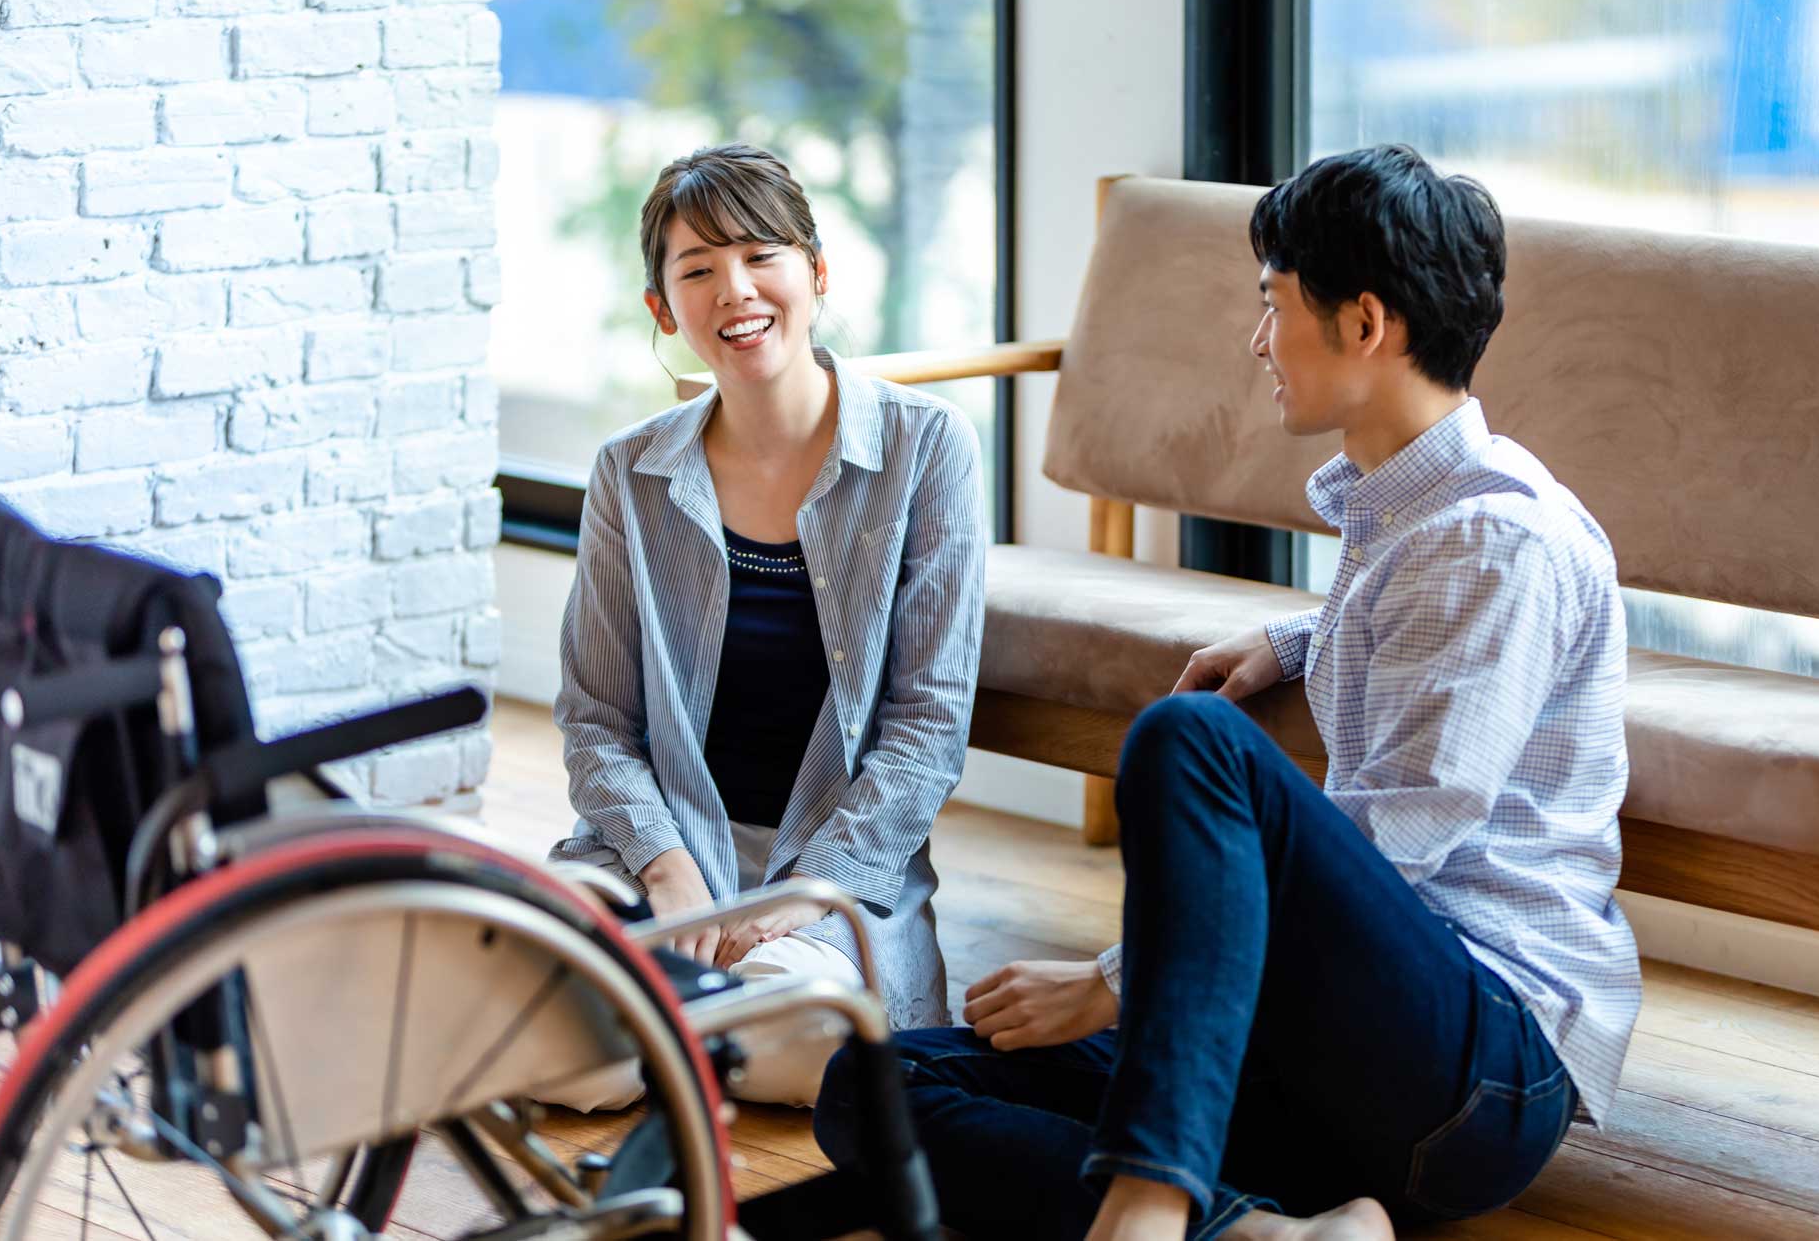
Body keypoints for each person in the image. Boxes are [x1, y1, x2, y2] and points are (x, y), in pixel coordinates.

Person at [814, 144, 1643, 1238]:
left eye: (1273, 306)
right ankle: (1253, 1231)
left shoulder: (1494, 540)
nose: (1259, 341)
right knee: (870, 1089)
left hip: (1475, 1068)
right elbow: (1427, 643)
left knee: (1189, 739)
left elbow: (1398, 829)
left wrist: (1115, 983)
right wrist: (1296, 636)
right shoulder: (1416, 520)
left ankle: (1151, 1209)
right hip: (1328, 1053)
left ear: (1362, 323)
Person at [551, 142, 986, 1108]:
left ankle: (668, 1029)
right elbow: (595, 720)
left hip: (833, 869)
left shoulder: (928, 449)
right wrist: (670, 875)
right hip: (655, 850)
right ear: (665, 309)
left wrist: (799, 895)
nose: (734, 290)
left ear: (817, 274)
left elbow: (926, 731)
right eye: (697, 270)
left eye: (761, 256)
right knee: (552, 1046)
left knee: (802, 1044)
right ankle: (674, 1020)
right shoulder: (630, 472)